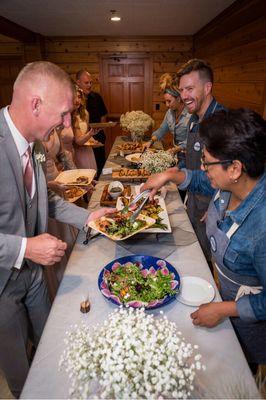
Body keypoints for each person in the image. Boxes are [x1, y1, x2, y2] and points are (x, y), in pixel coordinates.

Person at [0, 61, 112, 397]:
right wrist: (24, 248)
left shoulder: (33, 144)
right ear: (36, 103)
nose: (67, 123)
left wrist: (89, 218)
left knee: (52, 343)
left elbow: (45, 199)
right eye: (63, 113)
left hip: (34, 276)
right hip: (3, 283)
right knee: (21, 371)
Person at [142, 109, 266, 369]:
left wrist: (224, 309)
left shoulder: (262, 226)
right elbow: (201, 180)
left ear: (234, 168)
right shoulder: (233, 183)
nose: (201, 167)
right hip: (219, 292)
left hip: (249, 328)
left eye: (207, 161)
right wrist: (169, 175)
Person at [177, 59, 225, 262]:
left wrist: (220, 205)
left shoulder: (222, 123)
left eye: (189, 89)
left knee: (204, 264)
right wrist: (178, 167)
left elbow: (235, 174)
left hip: (211, 212)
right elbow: (192, 161)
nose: (184, 96)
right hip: (194, 203)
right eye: (181, 90)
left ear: (207, 87)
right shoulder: (194, 119)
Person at [144, 73, 190, 154]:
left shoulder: (191, 114)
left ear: (179, 99)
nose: (167, 105)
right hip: (177, 153)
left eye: (169, 101)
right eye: (165, 101)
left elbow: (193, 140)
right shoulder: (170, 113)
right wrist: (151, 141)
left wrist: (177, 149)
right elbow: (162, 129)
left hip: (190, 154)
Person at [76, 69, 108, 177]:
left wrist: (102, 131)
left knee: (100, 168)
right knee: (86, 175)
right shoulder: (74, 104)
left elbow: (103, 115)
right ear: (78, 83)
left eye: (91, 82)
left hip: (97, 139)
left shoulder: (97, 97)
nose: (89, 85)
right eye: (86, 83)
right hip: (81, 145)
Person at [72, 85, 97, 171]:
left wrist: (93, 140)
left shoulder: (85, 114)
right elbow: (76, 140)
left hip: (86, 150)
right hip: (76, 152)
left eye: (79, 97)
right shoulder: (68, 116)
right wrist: (90, 134)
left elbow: (85, 133)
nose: (77, 100)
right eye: (74, 97)